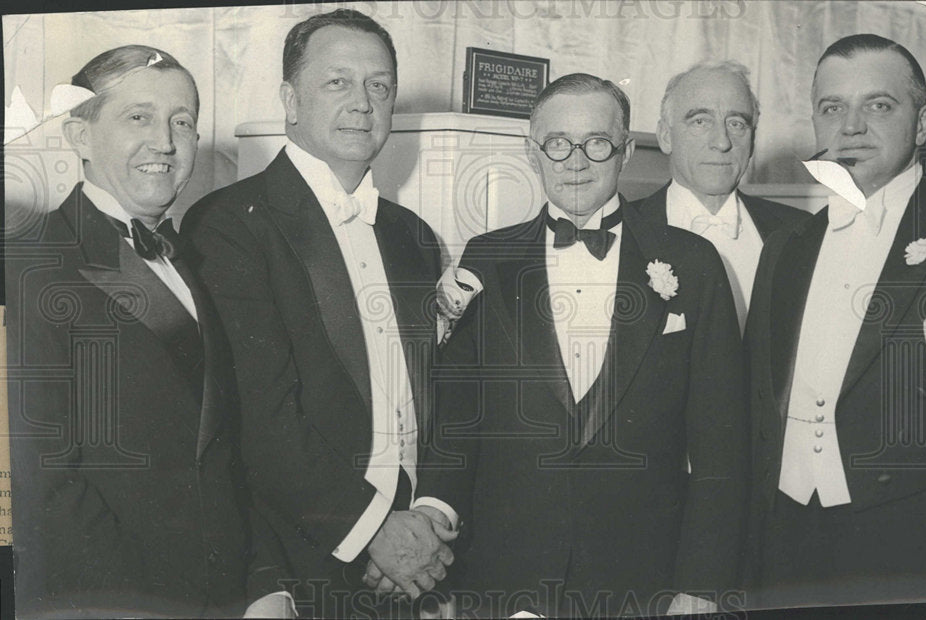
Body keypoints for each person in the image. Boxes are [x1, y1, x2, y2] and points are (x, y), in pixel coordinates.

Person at [418, 73, 749, 617]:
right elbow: (457, 419)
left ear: (626, 152)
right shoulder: (486, 259)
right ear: (532, 152)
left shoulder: (693, 263)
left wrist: (702, 584)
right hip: (506, 578)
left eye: (596, 143)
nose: (575, 161)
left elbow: (722, 442)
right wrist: (434, 517)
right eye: (557, 143)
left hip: (645, 580)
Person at [182, 9, 455, 617]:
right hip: (299, 569)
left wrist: (427, 518)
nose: (362, 102)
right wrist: (373, 531)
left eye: (379, 85)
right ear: (290, 100)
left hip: (418, 562)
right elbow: (261, 418)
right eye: (338, 82)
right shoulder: (227, 225)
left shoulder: (412, 234)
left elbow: (440, 399)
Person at [6, 45, 260, 617]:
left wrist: (262, 585)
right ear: (79, 136)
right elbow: (40, 488)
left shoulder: (200, 263)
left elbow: (230, 453)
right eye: (138, 117)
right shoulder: (31, 264)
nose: (165, 142)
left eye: (182, 122)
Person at [745, 34, 926, 608]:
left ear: (922, 123)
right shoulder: (787, 247)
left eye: (878, 105)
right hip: (783, 541)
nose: (851, 127)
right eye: (832, 107)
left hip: (913, 546)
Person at [636, 61, 807, 332]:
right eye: (700, 121)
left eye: (736, 123)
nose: (722, 142)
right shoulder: (624, 230)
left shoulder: (801, 233)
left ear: (752, 141)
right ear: (666, 136)